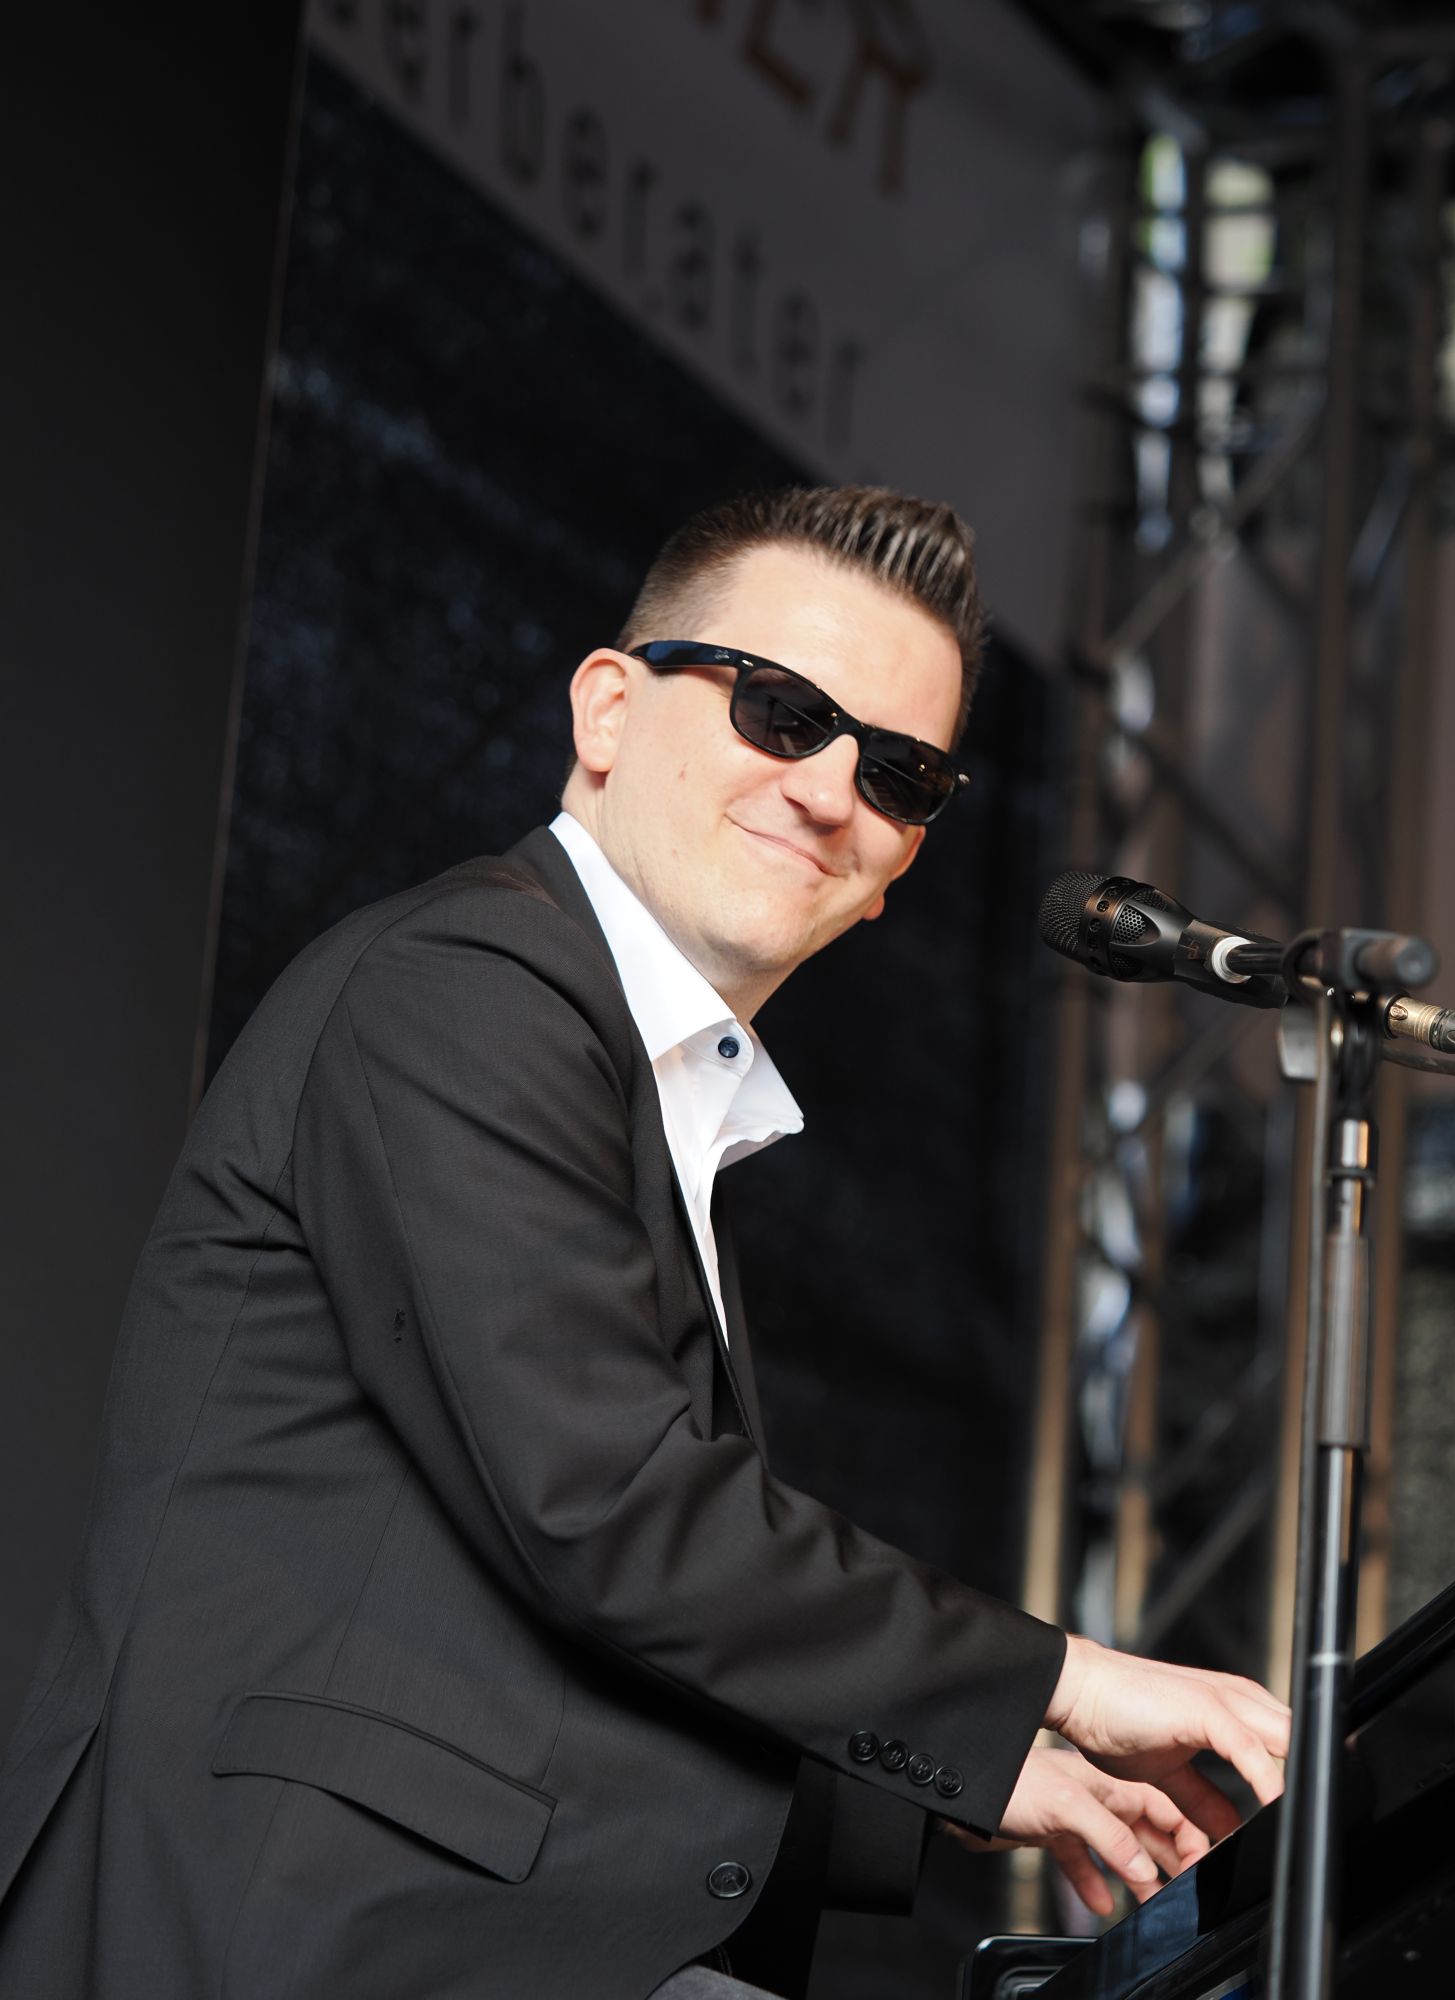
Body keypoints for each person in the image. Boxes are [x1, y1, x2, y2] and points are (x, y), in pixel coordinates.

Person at [0, 486, 1288, 2000]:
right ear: (607, 709)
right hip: (286, 1936)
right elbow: (608, 1508)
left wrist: (1002, 1774)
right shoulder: (468, 982)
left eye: (901, 773)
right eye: (783, 712)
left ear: (902, 869)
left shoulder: (648, 1093)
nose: (832, 790)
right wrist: (1060, 1685)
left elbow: (536, 1630)